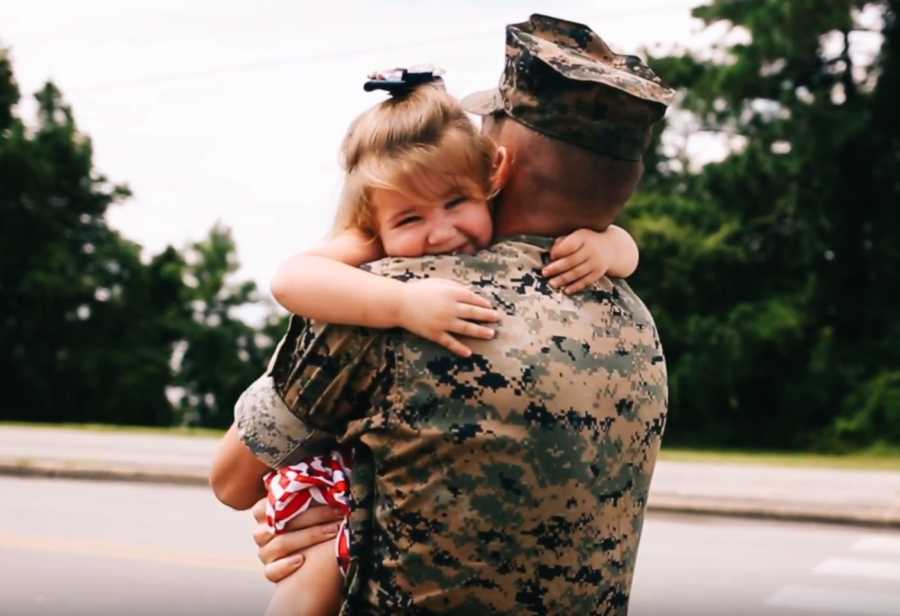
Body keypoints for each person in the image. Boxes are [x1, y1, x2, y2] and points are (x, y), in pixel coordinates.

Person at [225, 13, 673, 615]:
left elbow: (232, 478)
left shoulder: (392, 302)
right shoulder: (636, 322)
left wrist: (325, 519)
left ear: (498, 163)